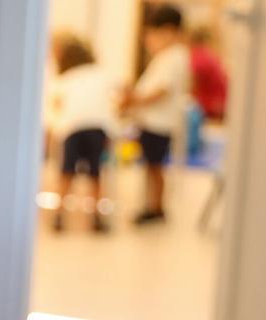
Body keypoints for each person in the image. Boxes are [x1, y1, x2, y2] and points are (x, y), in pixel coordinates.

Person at [121, 4, 191, 225]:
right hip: (152, 121)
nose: (150, 41)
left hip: (159, 123)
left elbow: (161, 91)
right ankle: (152, 204)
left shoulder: (174, 57)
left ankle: (156, 207)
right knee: (152, 167)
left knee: (155, 167)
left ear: (169, 31)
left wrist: (134, 99)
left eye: (154, 34)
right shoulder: (169, 57)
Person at [49, 36, 118, 233]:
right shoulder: (101, 74)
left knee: (67, 173)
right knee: (95, 173)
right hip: (98, 128)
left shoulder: (66, 79)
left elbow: (56, 105)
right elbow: (121, 91)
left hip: (73, 128)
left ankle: (59, 215)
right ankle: (97, 217)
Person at [189, 26, 228, 121]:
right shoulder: (211, 55)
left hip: (209, 108)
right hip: (219, 104)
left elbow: (194, 84)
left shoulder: (198, 56)